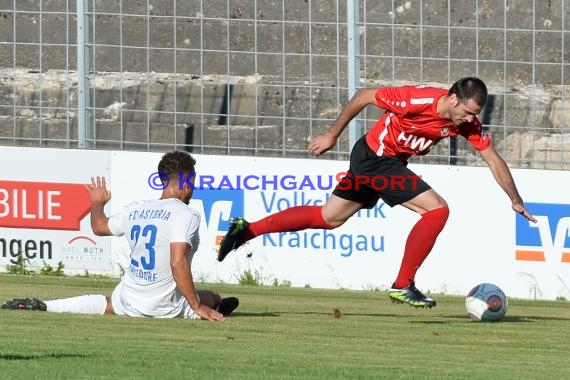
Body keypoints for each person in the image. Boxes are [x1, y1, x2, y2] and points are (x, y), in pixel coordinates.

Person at [216, 77, 537, 309]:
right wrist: (331, 134)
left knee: (328, 218)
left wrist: (515, 198)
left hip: (382, 161)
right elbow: (364, 95)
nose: (471, 119)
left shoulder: (465, 123)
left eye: (475, 114)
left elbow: (493, 158)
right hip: (374, 159)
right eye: (468, 112)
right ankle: (403, 284)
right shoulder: (415, 99)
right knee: (437, 210)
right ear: (453, 99)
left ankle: (246, 231)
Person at [2, 151, 239, 320]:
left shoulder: (136, 209)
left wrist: (97, 205)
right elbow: (177, 262)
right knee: (206, 297)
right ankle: (216, 302)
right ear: (187, 181)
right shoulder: (186, 214)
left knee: (108, 303)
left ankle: (44, 305)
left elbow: (99, 227)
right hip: (165, 308)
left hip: (129, 300)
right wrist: (196, 306)